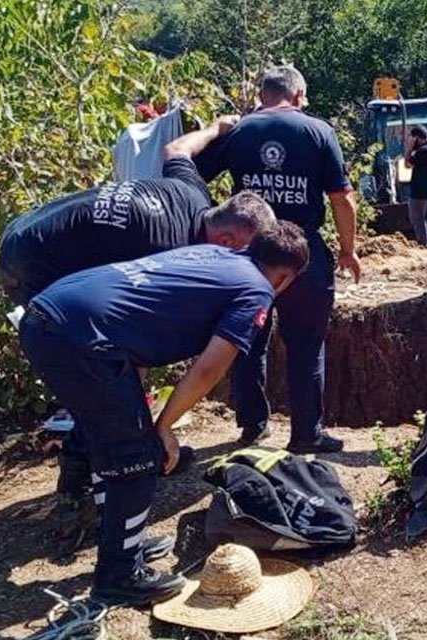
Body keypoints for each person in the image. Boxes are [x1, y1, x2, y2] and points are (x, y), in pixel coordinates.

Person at [20, 222, 310, 605]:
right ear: (285, 278)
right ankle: (119, 577)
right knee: (137, 456)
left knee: (111, 439)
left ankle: (124, 545)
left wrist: (142, 409)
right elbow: (210, 369)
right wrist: (163, 427)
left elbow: (138, 313)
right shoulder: (257, 290)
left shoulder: (216, 255)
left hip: (50, 315)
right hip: (80, 339)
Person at [219, 65, 363, 454]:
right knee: (306, 343)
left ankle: (253, 425)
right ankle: (305, 434)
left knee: (245, 338)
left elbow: (190, 173)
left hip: (249, 251)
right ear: (298, 95)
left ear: (262, 94)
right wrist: (348, 250)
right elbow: (341, 197)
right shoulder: (317, 131)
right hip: (302, 250)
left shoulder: (240, 131)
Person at [0, 116, 272, 307]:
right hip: (29, 261)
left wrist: (215, 129)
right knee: (68, 338)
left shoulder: (193, 191)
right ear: (226, 241)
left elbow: (176, 149)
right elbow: (134, 319)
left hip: (25, 224)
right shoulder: (173, 251)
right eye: (244, 252)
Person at [405, 125, 427, 247]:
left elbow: (407, 164)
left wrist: (409, 149)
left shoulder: (422, 152)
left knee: (417, 218)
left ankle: (422, 244)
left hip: (419, 191)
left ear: (417, 138)